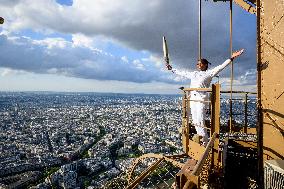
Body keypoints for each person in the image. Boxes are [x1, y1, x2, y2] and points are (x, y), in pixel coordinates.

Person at [166, 49, 244, 145]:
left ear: (205, 65)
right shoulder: (194, 74)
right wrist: (172, 69)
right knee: (195, 120)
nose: (198, 65)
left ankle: (205, 141)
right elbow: (183, 73)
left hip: (201, 100)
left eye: (200, 64)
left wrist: (231, 58)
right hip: (193, 99)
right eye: (197, 64)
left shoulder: (209, 73)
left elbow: (220, 67)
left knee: (200, 119)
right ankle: (201, 138)